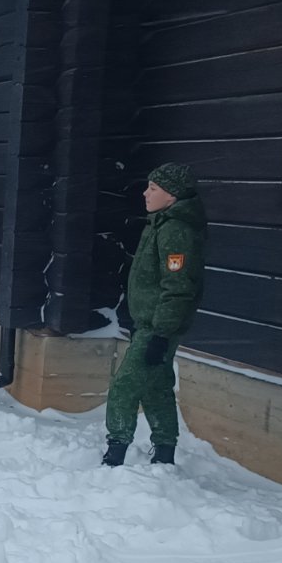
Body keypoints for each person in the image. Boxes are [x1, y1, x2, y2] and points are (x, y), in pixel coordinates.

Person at [102, 162, 207, 467]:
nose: (145, 193)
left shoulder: (176, 231)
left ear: (171, 195)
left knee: (125, 386)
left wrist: (160, 333)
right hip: (150, 323)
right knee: (156, 386)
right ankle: (164, 454)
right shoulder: (160, 223)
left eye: (153, 188)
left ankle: (115, 454)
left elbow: (178, 286)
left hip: (159, 327)